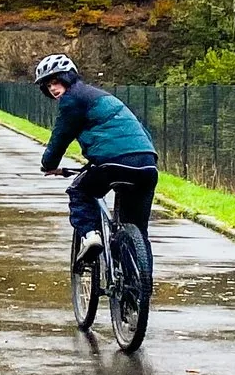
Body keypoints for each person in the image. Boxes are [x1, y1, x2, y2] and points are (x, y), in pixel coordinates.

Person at [31, 54, 158, 268]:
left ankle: (91, 237)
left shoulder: (73, 99)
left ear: (68, 78)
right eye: (48, 85)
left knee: (80, 192)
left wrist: (49, 165)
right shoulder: (103, 97)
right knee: (139, 235)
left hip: (112, 163)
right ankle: (139, 290)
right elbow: (139, 132)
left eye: (57, 81)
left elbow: (60, 137)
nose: (53, 88)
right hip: (147, 163)